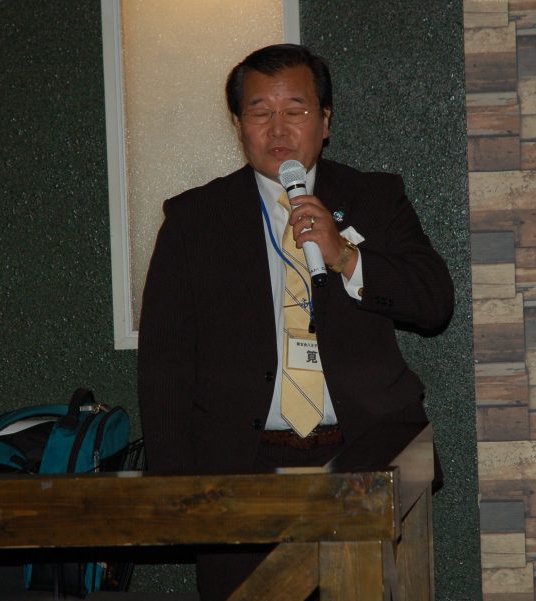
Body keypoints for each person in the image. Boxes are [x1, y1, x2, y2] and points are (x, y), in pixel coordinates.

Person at [137, 43, 454, 599]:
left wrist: (345, 256)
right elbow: (165, 361)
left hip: (364, 457)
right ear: (239, 125)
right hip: (238, 466)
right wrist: (173, 493)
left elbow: (434, 304)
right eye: (259, 111)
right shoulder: (193, 219)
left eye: (295, 109)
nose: (277, 128)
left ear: (325, 122)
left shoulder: (375, 198)